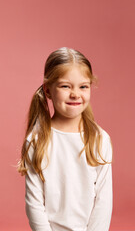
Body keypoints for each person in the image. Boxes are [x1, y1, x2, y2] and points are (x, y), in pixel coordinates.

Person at [18, 47, 113, 231]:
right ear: (48, 90)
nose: (75, 94)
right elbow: (34, 203)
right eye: (65, 86)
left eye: (83, 86)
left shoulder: (100, 139)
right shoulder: (37, 140)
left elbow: (104, 200)